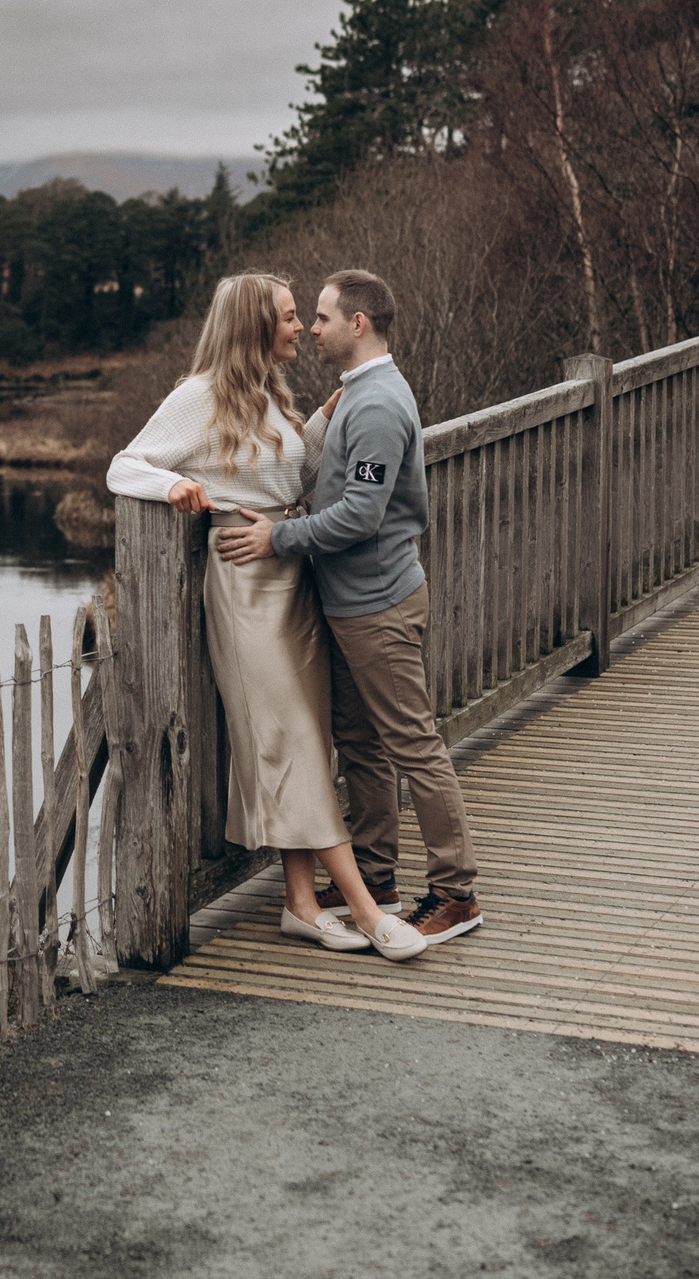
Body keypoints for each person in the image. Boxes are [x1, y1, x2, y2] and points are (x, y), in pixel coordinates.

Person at [107, 273, 429, 963]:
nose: (303, 328)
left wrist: (319, 420)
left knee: (303, 737)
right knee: (293, 741)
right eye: (290, 316)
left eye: (305, 316)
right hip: (244, 582)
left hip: (293, 576)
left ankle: (302, 905)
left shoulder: (269, 395)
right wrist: (175, 485)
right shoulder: (200, 396)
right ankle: (370, 913)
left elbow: (291, 477)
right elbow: (123, 464)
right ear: (255, 326)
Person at [213, 268, 484, 946]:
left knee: (413, 743)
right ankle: (376, 875)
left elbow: (360, 516)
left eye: (325, 316)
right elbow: (314, 471)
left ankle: (456, 892)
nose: (313, 327)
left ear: (357, 324)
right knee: (361, 745)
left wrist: (279, 536)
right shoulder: (355, 397)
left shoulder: (378, 406)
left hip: (379, 606)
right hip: (352, 603)